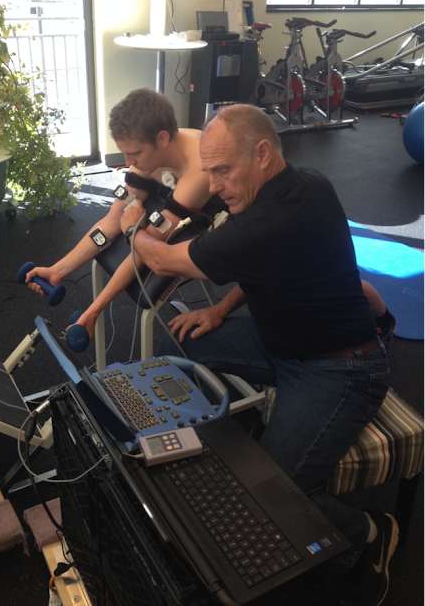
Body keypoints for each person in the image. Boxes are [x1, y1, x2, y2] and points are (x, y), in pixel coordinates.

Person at [119, 103, 398, 606]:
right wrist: (220, 309)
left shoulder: (275, 216)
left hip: (339, 368)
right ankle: (200, 465)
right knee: (179, 342)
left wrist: (133, 226)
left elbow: (161, 258)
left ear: (263, 153)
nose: (215, 185)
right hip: (280, 341)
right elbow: (264, 266)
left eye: (224, 171)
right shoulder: (301, 184)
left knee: (269, 495)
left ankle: (367, 533)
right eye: (209, 172)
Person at [25, 88, 222, 339]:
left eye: (135, 153)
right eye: (125, 152)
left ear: (162, 139)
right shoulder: (150, 152)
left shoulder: (199, 168)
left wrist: (94, 310)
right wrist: (57, 270)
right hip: (175, 188)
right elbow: (111, 221)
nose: (128, 163)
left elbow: (146, 249)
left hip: (234, 223)